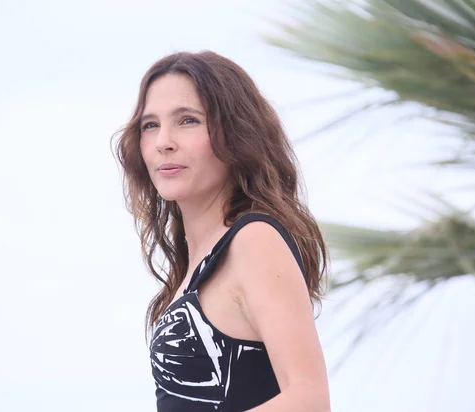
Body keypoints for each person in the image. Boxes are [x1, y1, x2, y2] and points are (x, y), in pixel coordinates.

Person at [113, 50, 331, 412]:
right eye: (150, 125)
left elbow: (310, 397)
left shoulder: (253, 240)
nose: (163, 141)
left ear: (235, 134)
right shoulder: (196, 265)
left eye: (188, 120)